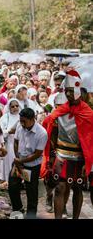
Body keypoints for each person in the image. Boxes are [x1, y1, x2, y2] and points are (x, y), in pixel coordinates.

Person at [41, 70, 93, 219]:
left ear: (78, 91)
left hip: (80, 157)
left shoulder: (88, 113)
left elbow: (90, 140)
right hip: (61, 155)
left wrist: (88, 161)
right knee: (59, 188)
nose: (68, 94)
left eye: (71, 91)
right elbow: (50, 128)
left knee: (77, 189)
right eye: (66, 91)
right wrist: (51, 155)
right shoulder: (61, 111)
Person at [8, 108, 47, 219]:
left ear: (32, 119)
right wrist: (17, 159)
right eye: (20, 120)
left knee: (31, 192)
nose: (21, 123)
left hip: (32, 166)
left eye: (24, 121)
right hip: (18, 162)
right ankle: (18, 210)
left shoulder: (42, 133)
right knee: (12, 186)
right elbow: (15, 141)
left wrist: (21, 161)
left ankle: (31, 215)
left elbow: (37, 153)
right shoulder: (20, 126)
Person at [0, 99, 21, 185]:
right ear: (9, 107)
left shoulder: (21, 116)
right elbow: (0, 132)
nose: (15, 108)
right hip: (10, 143)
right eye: (13, 106)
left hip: (21, 143)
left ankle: (20, 180)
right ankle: (10, 181)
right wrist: (9, 131)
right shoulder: (5, 117)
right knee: (10, 162)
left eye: (17, 106)